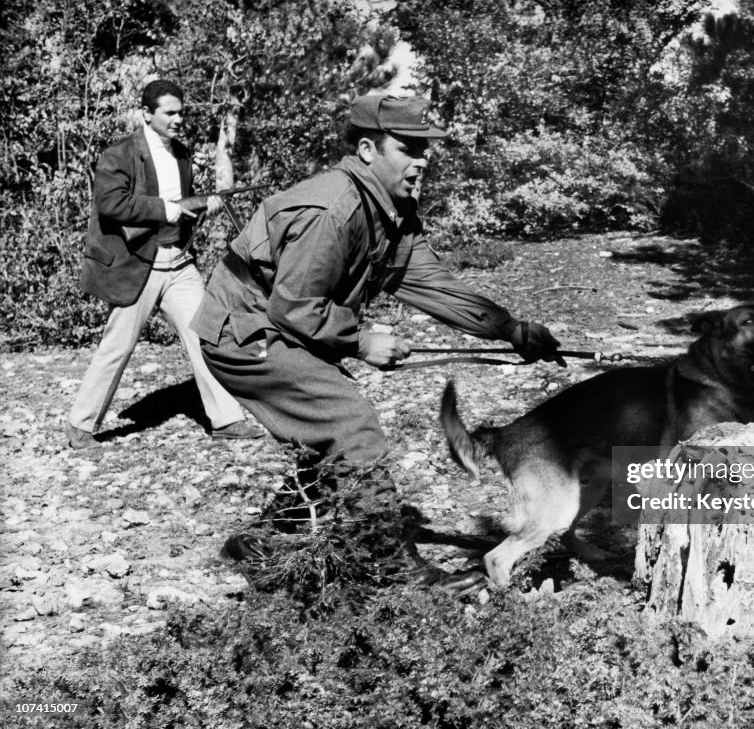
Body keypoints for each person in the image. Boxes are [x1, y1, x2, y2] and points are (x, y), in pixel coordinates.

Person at [191, 93, 563, 585]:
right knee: (353, 426)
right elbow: (295, 307)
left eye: (425, 149)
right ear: (368, 149)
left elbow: (430, 284)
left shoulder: (393, 210)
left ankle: (263, 537)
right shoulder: (334, 208)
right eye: (407, 148)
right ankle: (391, 567)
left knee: (331, 426)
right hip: (244, 332)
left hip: (279, 324)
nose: (421, 160)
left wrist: (509, 329)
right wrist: (362, 341)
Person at [67, 79, 265, 449]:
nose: (178, 120)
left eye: (181, 112)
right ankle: (80, 426)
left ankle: (226, 420)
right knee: (119, 346)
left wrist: (204, 205)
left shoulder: (183, 153)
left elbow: (183, 209)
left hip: (179, 263)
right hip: (137, 264)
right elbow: (111, 204)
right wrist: (169, 209)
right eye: (169, 113)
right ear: (146, 113)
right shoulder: (120, 154)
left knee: (206, 336)